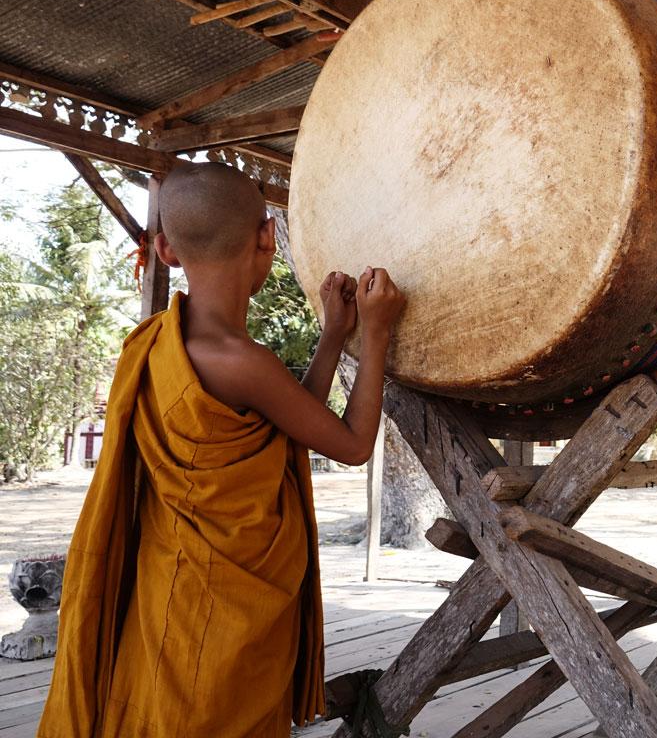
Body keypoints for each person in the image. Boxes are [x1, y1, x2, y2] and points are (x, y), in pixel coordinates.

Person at [38, 163, 406, 738]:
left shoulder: (155, 345)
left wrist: (334, 335)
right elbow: (354, 444)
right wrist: (378, 331)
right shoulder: (244, 361)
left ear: (165, 250)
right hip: (229, 620)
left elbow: (293, 423)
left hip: (168, 598)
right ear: (267, 239)